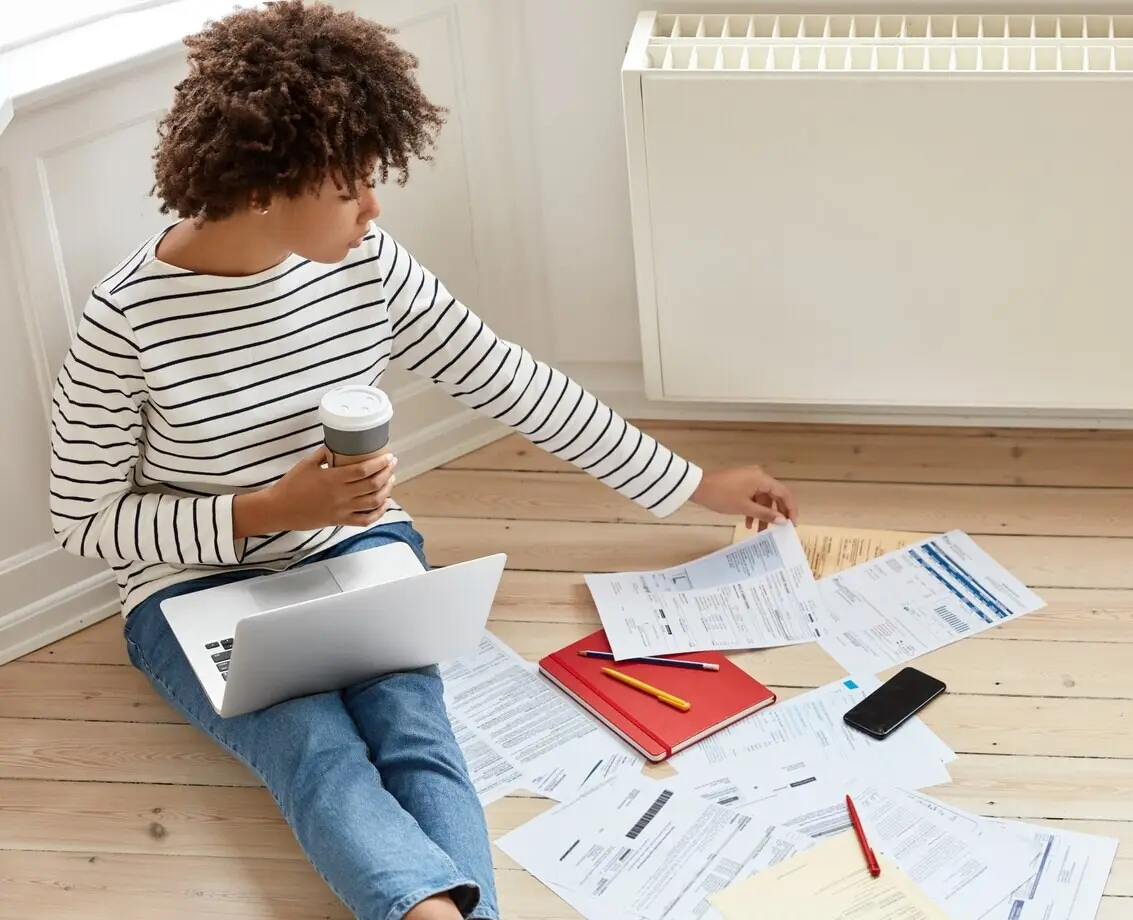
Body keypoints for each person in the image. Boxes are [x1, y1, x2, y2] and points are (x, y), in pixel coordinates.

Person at [46, 3, 799, 919]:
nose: (374, 208)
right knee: (312, 750)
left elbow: (508, 379)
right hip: (192, 587)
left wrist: (690, 484)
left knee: (417, 734)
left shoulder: (365, 263)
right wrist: (268, 511)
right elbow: (82, 521)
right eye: (349, 188)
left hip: (352, 552)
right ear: (264, 189)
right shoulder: (126, 320)